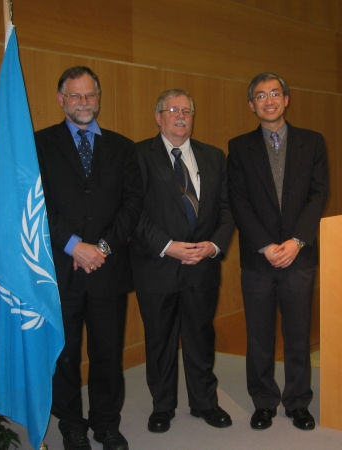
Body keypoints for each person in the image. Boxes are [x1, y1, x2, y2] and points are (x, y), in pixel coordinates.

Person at [35, 66, 142, 450]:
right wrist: (74, 245)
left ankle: (106, 423)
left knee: (107, 352)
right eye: (76, 96)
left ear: (99, 98)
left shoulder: (122, 146)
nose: (84, 103)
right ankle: (72, 425)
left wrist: (103, 248)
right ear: (61, 99)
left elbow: (132, 204)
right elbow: (37, 203)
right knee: (64, 355)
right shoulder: (39, 144)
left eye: (90, 95)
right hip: (60, 269)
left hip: (107, 268)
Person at [227, 73, 329, 431]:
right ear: (251, 105)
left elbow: (318, 195)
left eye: (274, 94)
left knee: (299, 333)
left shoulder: (312, 143)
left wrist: (297, 242)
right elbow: (238, 201)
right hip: (259, 259)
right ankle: (264, 402)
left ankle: (298, 402)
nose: (268, 101)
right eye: (260, 96)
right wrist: (268, 245)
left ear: (287, 99)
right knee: (259, 335)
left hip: (299, 257)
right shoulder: (239, 147)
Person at [130, 89, 234, 433]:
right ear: (158, 116)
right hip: (156, 266)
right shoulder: (138, 156)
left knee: (201, 339)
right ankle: (163, 407)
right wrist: (167, 246)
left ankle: (205, 402)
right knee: (159, 339)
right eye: (172, 110)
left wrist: (214, 246)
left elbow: (226, 210)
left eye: (187, 111)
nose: (180, 116)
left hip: (202, 266)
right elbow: (133, 212)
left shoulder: (215, 157)